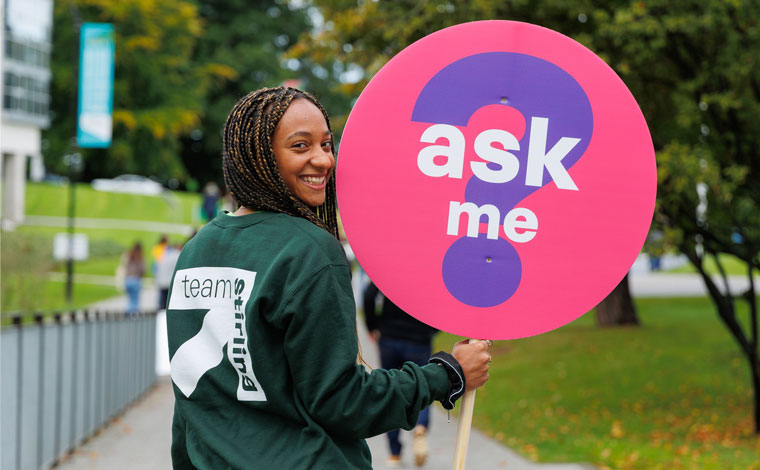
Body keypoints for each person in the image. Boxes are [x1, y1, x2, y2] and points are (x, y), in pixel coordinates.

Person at [166, 86, 491, 469]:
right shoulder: (308, 250)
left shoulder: (196, 250)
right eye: (300, 146)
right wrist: (447, 374)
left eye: (326, 144)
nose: (323, 160)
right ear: (258, 157)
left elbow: (190, 405)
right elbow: (343, 402)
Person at [363, 280, 438, 467]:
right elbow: (443, 302)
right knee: (423, 383)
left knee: (391, 388)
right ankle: (420, 427)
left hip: (389, 337)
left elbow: (369, 294)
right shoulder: (429, 269)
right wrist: (431, 330)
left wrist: (373, 325)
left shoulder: (392, 264)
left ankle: (394, 454)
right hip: (418, 339)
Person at [155, 242, 182, 310]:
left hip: (162, 282)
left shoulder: (163, 256)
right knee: (170, 304)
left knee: (162, 304)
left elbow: (157, 268)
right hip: (171, 283)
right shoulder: (177, 255)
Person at [123, 242, 145, 314]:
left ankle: (128, 311)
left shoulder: (128, 255)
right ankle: (132, 314)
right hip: (135, 280)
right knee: (135, 300)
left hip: (128, 280)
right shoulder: (140, 257)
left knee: (130, 299)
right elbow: (143, 269)